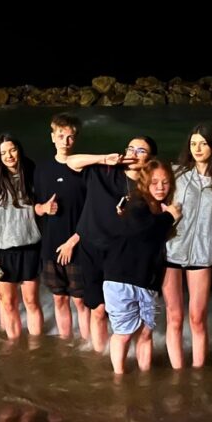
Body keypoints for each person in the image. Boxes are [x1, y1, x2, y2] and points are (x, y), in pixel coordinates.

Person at [65, 135, 158, 353]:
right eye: (130, 148)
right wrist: (104, 159)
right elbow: (71, 162)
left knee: (125, 311)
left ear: (150, 158)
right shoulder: (103, 171)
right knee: (98, 309)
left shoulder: (149, 187)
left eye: (141, 151)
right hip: (92, 248)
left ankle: (126, 355)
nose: (133, 154)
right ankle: (100, 357)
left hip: (122, 255)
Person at [103, 159, 182, 374]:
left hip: (147, 280)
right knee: (124, 333)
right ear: (145, 183)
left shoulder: (159, 207)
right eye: (154, 182)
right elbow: (145, 228)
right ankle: (118, 380)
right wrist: (169, 216)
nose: (160, 187)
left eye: (165, 182)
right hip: (120, 279)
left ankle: (144, 378)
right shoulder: (136, 203)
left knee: (146, 332)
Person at [163, 124, 212, 369]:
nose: (197, 149)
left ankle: (198, 373)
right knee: (174, 316)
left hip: (204, 253)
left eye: (203, 143)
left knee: (197, 317)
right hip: (171, 249)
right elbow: (149, 188)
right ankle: (178, 372)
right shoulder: (176, 173)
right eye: (193, 143)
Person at [0, 134, 45, 339]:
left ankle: (35, 349)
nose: (9, 156)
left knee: (31, 302)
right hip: (3, 252)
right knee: (9, 303)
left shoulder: (32, 176)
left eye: (12, 150)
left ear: (19, 151)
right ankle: (15, 348)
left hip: (30, 248)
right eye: (3, 152)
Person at [33, 113, 90, 340]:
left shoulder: (84, 170)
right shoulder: (41, 169)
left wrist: (74, 241)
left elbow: (92, 212)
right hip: (50, 246)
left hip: (79, 246)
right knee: (59, 299)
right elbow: (33, 207)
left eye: (70, 137)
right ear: (52, 137)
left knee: (81, 301)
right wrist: (42, 208)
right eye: (60, 136)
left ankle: (87, 347)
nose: (65, 141)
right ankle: (66, 345)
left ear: (76, 138)